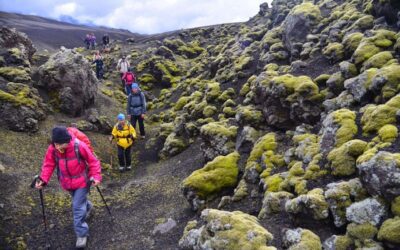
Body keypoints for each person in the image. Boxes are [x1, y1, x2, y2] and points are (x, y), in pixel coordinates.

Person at [35, 126, 102, 248]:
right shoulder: (53, 149)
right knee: (80, 202)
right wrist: (43, 180)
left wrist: (96, 176)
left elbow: (93, 161)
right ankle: (89, 207)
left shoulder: (79, 146)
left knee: (76, 207)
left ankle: (82, 234)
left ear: (68, 140)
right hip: (67, 183)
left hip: (82, 181)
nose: (59, 147)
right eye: (56, 144)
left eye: (61, 144)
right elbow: (48, 165)